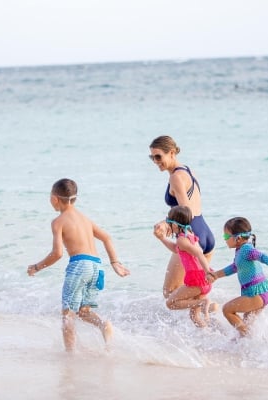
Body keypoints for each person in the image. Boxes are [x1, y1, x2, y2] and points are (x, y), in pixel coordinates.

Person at [27, 178, 130, 352]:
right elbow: (106, 237)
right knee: (83, 311)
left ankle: (70, 355)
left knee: (68, 315)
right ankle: (104, 325)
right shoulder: (85, 219)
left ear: (54, 199)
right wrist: (115, 262)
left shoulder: (58, 221)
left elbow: (57, 253)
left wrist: (36, 267)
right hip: (97, 267)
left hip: (79, 265)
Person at [149, 135, 215, 299]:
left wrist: (165, 223)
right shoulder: (187, 170)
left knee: (170, 293)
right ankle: (215, 321)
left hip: (191, 237)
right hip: (205, 234)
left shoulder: (175, 177)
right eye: (152, 157)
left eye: (158, 156)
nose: (155, 161)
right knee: (196, 295)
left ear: (171, 152)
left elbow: (186, 211)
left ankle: (207, 312)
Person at [208, 217, 268, 337]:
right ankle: (246, 343)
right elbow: (235, 267)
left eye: (226, 237)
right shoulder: (240, 250)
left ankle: (248, 339)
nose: (224, 240)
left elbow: (264, 257)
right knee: (247, 322)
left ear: (238, 238)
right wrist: (216, 275)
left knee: (227, 310)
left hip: (256, 294)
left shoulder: (246, 250)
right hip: (259, 293)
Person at [154, 205, 217, 327]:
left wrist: (207, 272)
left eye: (169, 222)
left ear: (176, 225)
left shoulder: (181, 240)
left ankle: (203, 302)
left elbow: (199, 253)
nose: (167, 225)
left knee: (171, 303)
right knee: (194, 316)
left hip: (197, 280)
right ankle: (207, 334)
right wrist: (162, 238)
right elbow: (176, 249)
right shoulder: (190, 235)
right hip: (203, 280)